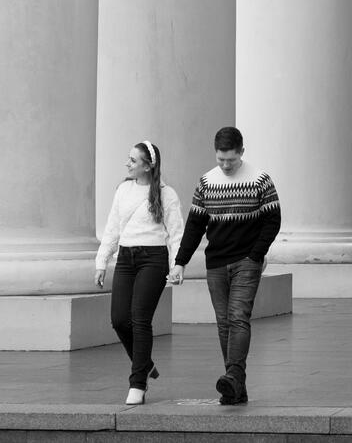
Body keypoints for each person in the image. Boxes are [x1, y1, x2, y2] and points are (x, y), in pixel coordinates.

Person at [169, 125, 281, 406]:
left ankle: (231, 375)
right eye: (220, 159)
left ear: (241, 152)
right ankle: (236, 387)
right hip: (216, 263)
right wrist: (180, 262)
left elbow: (272, 220)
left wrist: (256, 255)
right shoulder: (207, 182)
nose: (226, 164)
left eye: (231, 159)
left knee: (238, 317)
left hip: (246, 260)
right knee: (223, 324)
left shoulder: (260, 180)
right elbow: (195, 225)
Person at [95, 140, 184, 406]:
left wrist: (177, 265)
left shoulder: (167, 194)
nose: (128, 164)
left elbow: (176, 232)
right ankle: (145, 363)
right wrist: (102, 262)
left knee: (140, 319)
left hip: (153, 259)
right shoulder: (123, 189)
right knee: (120, 320)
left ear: (148, 166)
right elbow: (112, 227)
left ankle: (138, 383)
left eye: (133, 160)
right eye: (129, 159)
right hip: (125, 257)